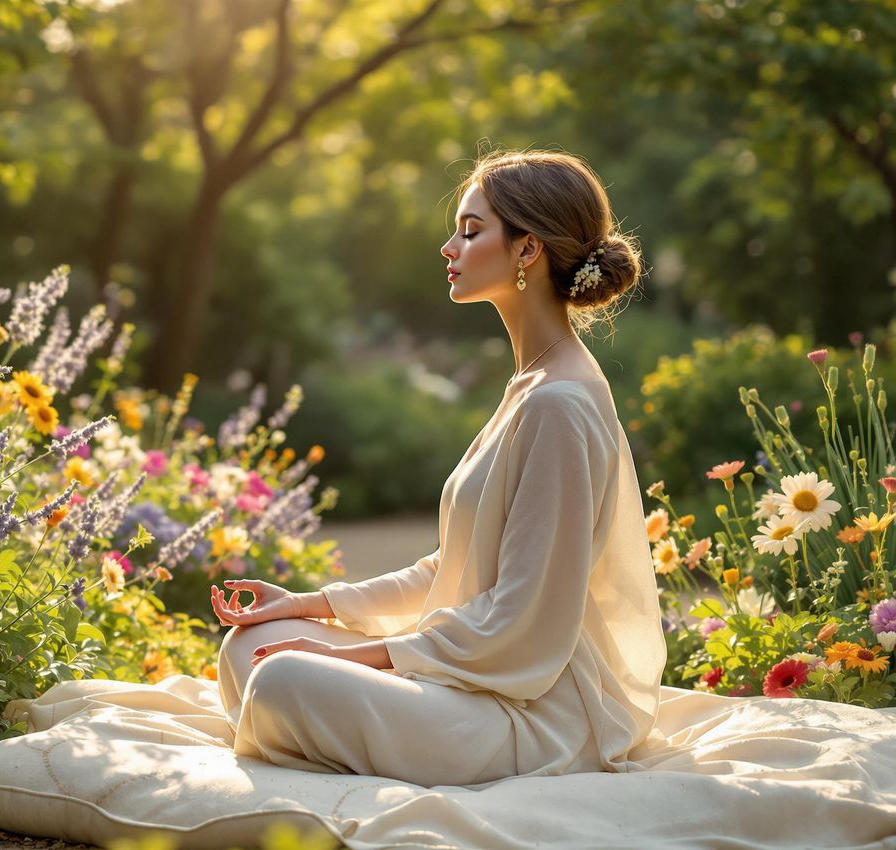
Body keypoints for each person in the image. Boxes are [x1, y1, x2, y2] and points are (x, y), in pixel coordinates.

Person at [209, 148, 665, 787]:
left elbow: (523, 616)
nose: (449, 246)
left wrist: (367, 659)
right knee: (252, 646)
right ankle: (318, 733)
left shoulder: (560, 404)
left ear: (527, 249)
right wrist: (309, 607)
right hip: (470, 682)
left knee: (282, 678)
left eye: (472, 230)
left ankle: (313, 735)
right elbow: (450, 568)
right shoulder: (531, 385)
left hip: (530, 711)